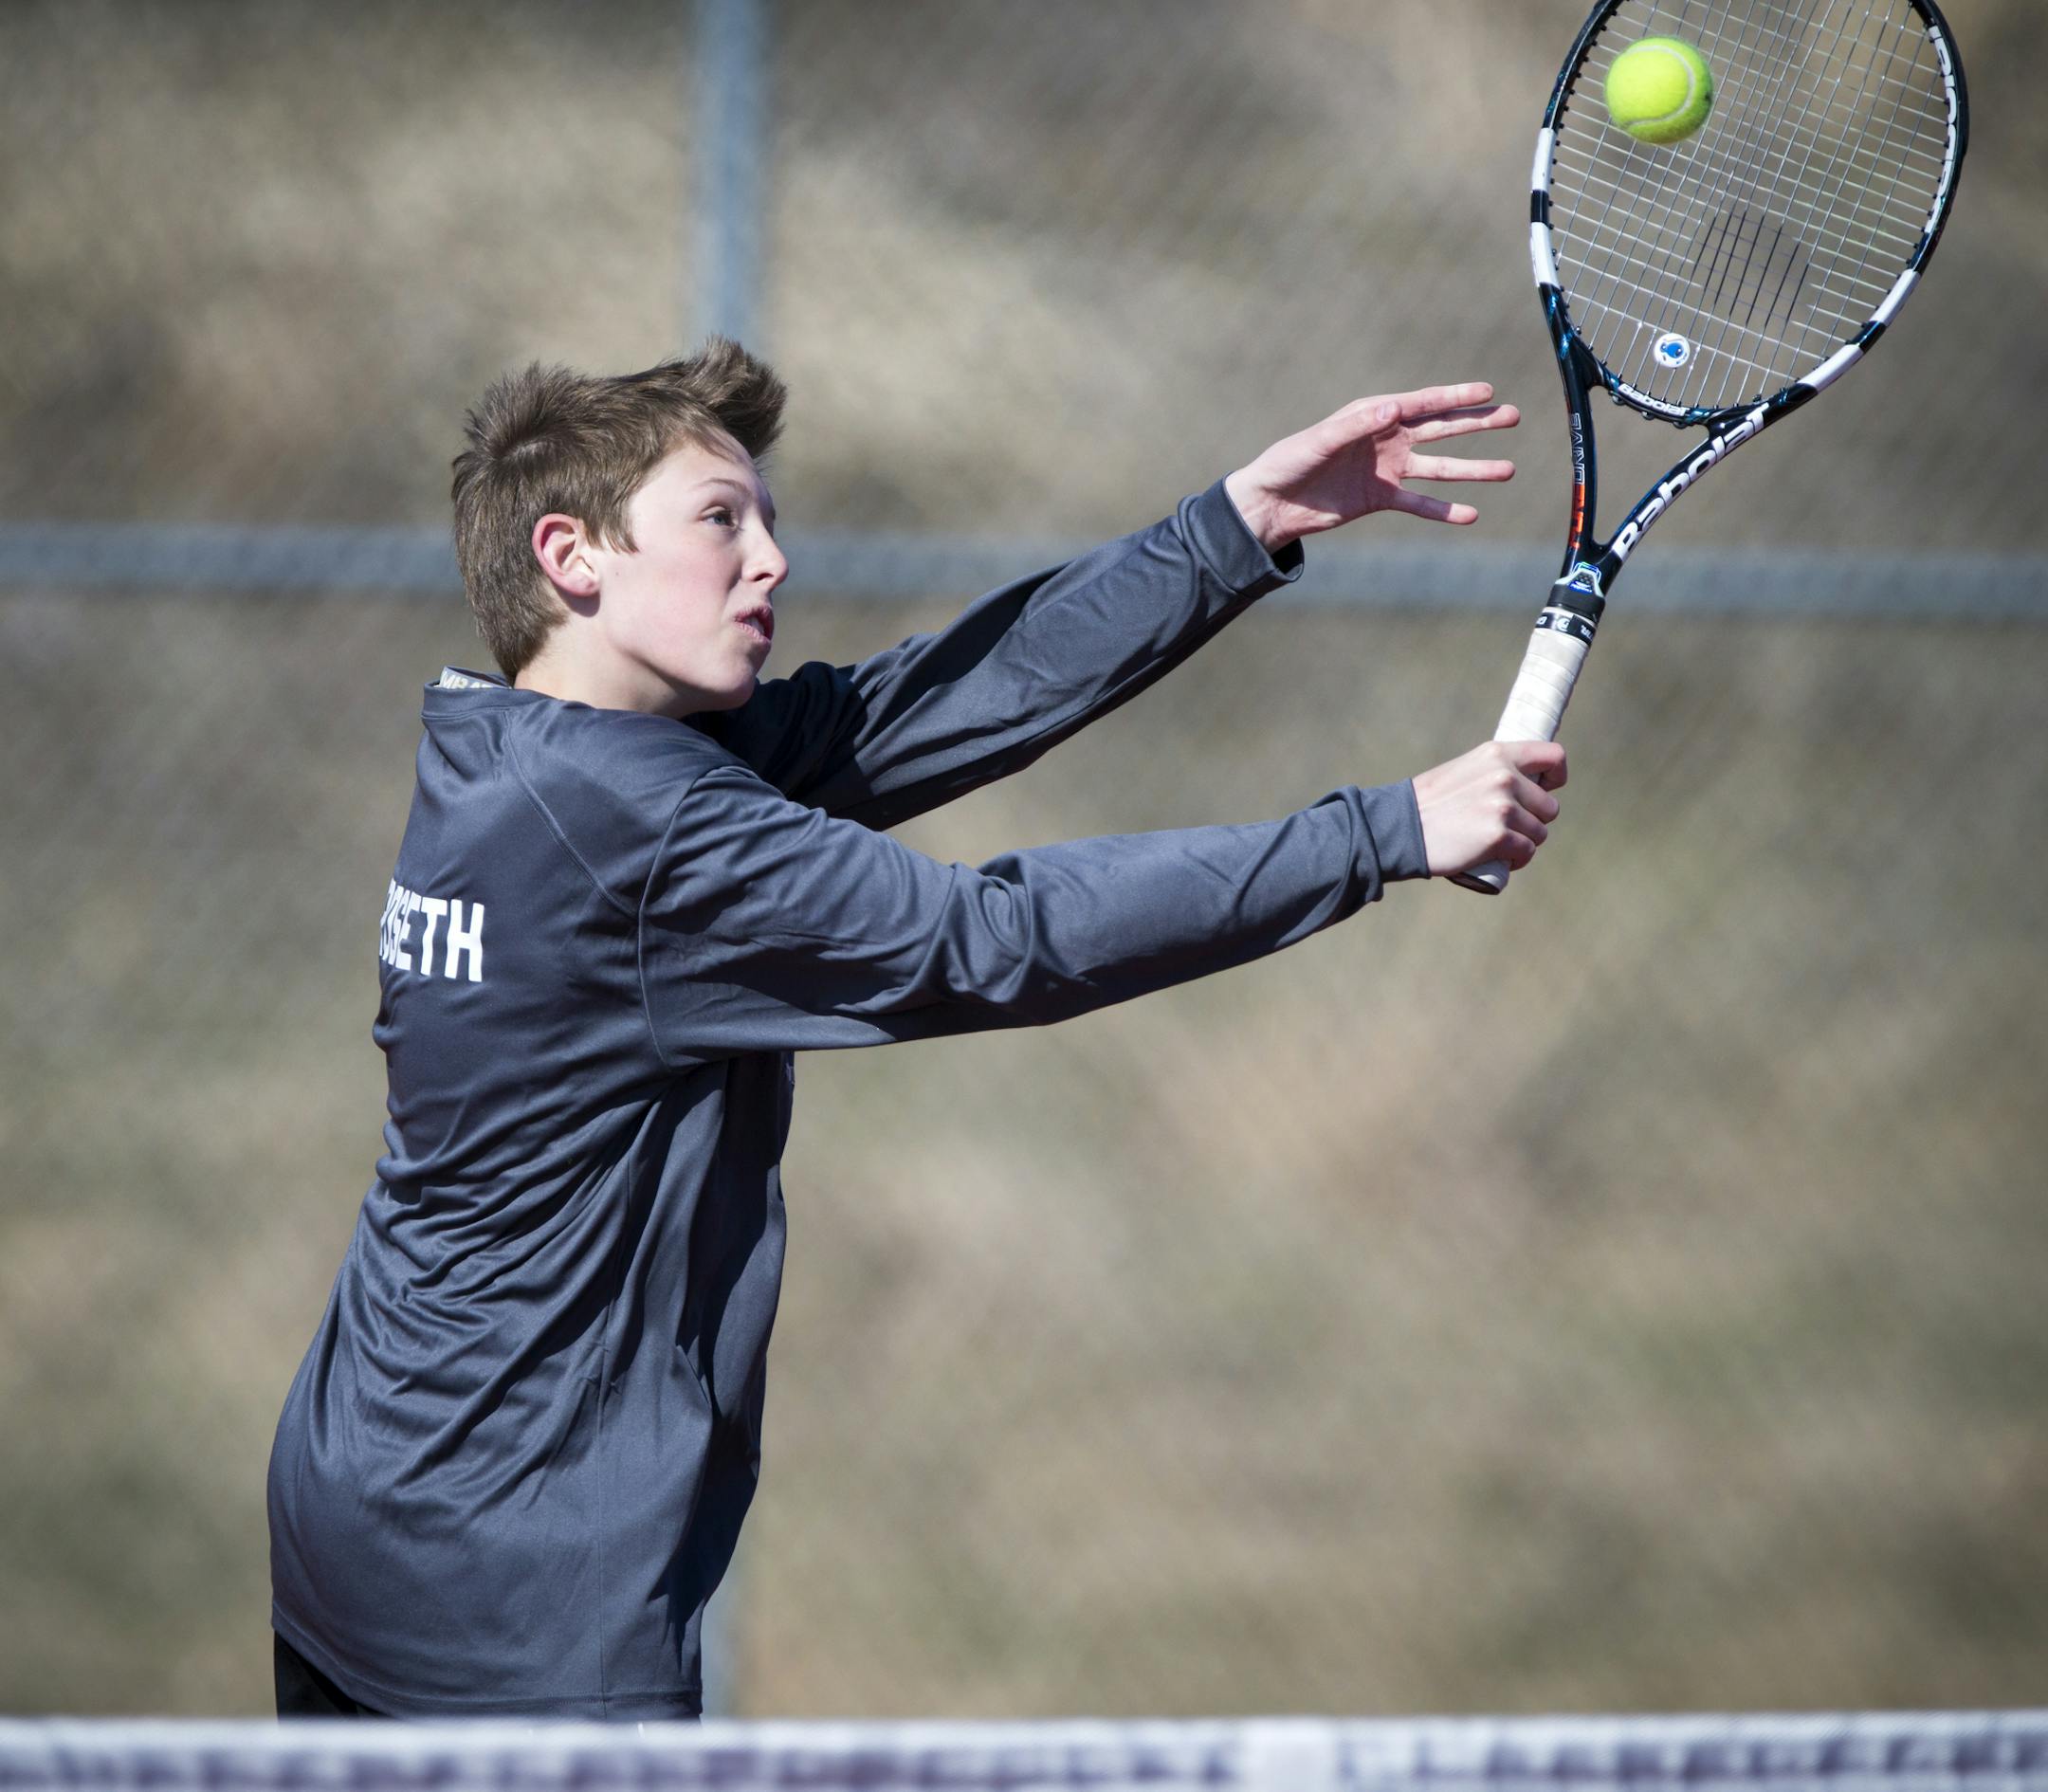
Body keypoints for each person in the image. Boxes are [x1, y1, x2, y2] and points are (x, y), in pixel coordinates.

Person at [266, 338, 1564, 1720]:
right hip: (510, 1588)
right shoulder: (648, 827)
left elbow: (937, 701)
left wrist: (1238, 525)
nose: (770, 558)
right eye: (721, 520)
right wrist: (1385, 830)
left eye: (768, 518)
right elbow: (994, 940)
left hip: (358, 1491)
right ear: (572, 556)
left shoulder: (504, 754)